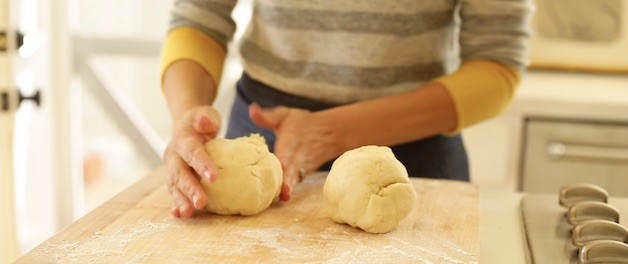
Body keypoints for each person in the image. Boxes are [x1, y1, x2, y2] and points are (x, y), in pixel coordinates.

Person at [161, 0, 533, 218]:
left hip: (411, 145)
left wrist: (339, 130)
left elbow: (497, 65)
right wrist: (187, 114)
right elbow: (197, 19)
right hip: (263, 139)